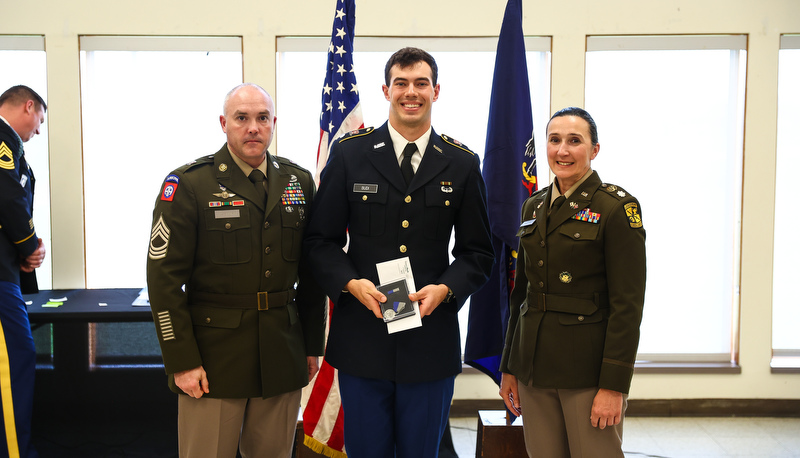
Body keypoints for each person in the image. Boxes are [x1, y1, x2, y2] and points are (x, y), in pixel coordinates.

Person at [304, 47, 494, 458]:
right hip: (362, 338)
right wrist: (350, 283)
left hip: (430, 341)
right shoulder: (351, 154)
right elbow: (320, 242)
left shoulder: (461, 163)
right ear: (386, 90)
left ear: (436, 91)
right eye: (402, 83)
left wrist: (445, 289)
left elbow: (478, 252)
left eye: (421, 83)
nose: (411, 92)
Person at [146, 83, 325, 458]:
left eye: (262, 118)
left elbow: (311, 276)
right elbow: (163, 282)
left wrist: (310, 345)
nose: (253, 128)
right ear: (224, 123)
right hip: (213, 359)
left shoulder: (299, 181)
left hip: (281, 350)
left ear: (273, 123)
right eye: (242, 118)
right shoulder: (190, 184)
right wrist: (181, 360)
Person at [499, 107, 646, 458]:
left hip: (587, 373)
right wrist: (509, 367)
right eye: (554, 140)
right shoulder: (533, 206)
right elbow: (522, 294)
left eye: (574, 141)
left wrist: (613, 386)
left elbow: (628, 306)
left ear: (594, 150)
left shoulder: (615, 208)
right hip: (533, 369)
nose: (562, 150)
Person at [0, 85, 47, 458]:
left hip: (7, 273)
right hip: (0, 277)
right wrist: (30, 246)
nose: (38, 130)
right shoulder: (3, 140)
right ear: (28, 107)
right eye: (40, 121)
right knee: (15, 362)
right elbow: (7, 196)